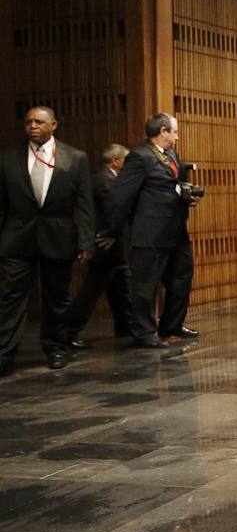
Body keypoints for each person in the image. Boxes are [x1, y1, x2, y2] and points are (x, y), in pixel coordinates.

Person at [0, 107, 94, 375]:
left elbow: (85, 205)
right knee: (12, 297)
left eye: (39, 122)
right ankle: (5, 354)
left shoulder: (75, 158)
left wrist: (86, 242)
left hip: (59, 237)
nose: (32, 126)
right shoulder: (7, 158)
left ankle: (55, 348)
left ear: (54, 125)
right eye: (28, 122)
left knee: (57, 298)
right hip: (17, 239)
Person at [107, 113, 199, 349]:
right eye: (175, 131)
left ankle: (172, 324)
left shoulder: (170, 154)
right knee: (145, 285)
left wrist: (185, 196)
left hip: (175, 229)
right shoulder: (140, 156)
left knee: (181, 277)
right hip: (150, 231)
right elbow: (120, 195)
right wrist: (111, 230)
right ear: (163, 132)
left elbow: (172, 184)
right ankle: (144, 332)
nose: (177, 137)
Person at [67, 143, 133, 345]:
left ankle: (126, 329)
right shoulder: (105, 180)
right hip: (105, 246)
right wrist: (112, 233)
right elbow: (115, 211)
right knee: (91, 292)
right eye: (126, 160)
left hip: (114, 246)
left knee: (121, 289)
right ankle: (68, 331)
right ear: (115, 161)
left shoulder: (110, 178)